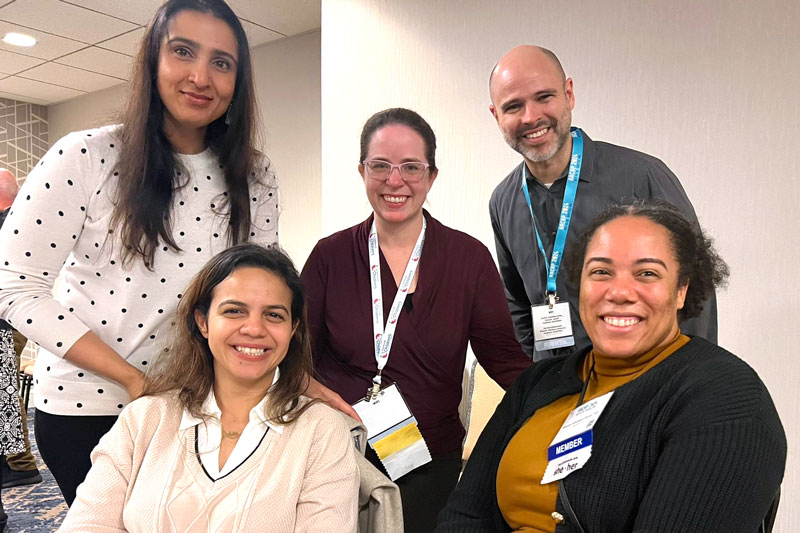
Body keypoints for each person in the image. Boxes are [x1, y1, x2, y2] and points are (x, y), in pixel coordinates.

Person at [0, 0, 278, 506]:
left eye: (222, 62)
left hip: (197, 406)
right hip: (88, 410)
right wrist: (133, 379)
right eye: (183, 52)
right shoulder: (84, 156)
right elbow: (15, 286)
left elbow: (261, 291)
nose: (201, 76)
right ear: (152, 62)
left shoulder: (254, 177)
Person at [436, 199, 786, 532]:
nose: (619, 292)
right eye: (601, 271)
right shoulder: (538, 382)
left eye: (647, 273)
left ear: (681, 290)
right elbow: (466, 514)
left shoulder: (726, 399)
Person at [301, 108, 532, 532]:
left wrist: (568, 400)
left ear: (431, 175)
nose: (395, 181)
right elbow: (291, 356)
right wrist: (324, 398)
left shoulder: (468, 259)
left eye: (411, 167)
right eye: (381, 166)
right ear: (361, 170)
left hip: (428, 459)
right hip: (336, 451)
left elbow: (505, 359)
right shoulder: (329, 257)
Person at [58, 244, 359, 532]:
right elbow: (87, 525)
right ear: (202, 322)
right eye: (233, 311)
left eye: (274, 315)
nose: (254, 328)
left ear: (293, 329)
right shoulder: (145, 418)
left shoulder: (321, 430)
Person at [488, 45, 717, 361]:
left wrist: (684, 383)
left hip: (644, 387)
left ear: (569, 94)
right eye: (513, 106)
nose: (531, 117)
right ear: (496, 115)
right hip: (559, 390)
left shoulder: (641, 177)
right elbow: (517, 301)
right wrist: (539, 378)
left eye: (544, 97)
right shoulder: (503, 200)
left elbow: (695, 291)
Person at [0, 169, 42, 490]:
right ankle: (14, 462)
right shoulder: (21, 220)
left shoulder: (8, 223)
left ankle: (21, 465)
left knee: (4, 393)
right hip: (13, 319)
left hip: (5, 320)